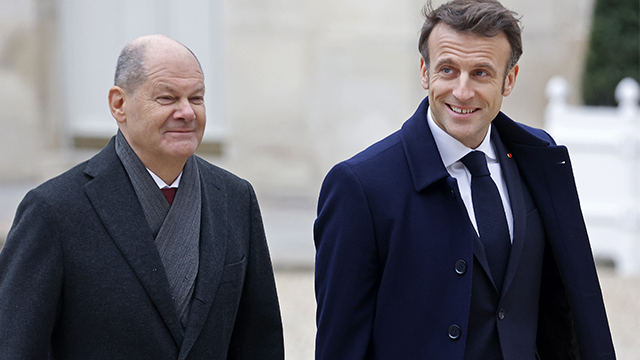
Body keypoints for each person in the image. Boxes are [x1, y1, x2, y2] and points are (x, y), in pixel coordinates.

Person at [314, 1, 616, 359]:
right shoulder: (359, 187)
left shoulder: (540, 159)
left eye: (481, 73)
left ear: (510, 79)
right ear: (425, 71)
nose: (461, 91)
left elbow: (562, 312)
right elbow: (339, 347)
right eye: (447, 69)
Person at [0, 34, 284, 359]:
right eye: (167, 98)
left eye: (197, 98)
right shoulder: (54, 210)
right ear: (119, 104)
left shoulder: (235, 198)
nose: (187, 112)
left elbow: (261, 342)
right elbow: (16, 348)